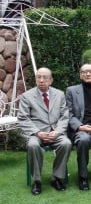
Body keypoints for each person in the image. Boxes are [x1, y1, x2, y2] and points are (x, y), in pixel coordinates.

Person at [18, 67, 72, 195]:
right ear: (36, 79)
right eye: (38, 77)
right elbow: (23, 118)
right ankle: (36, 181)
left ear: (51, 80)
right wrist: (37, 133)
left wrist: (58, 131)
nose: (41, 80)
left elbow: (65, 116)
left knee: (66, 144)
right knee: (32, 145)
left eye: (45, 78)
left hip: (55, 132)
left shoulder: (59, 94)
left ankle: (57, 178)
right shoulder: (27, 96)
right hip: (36, 133)